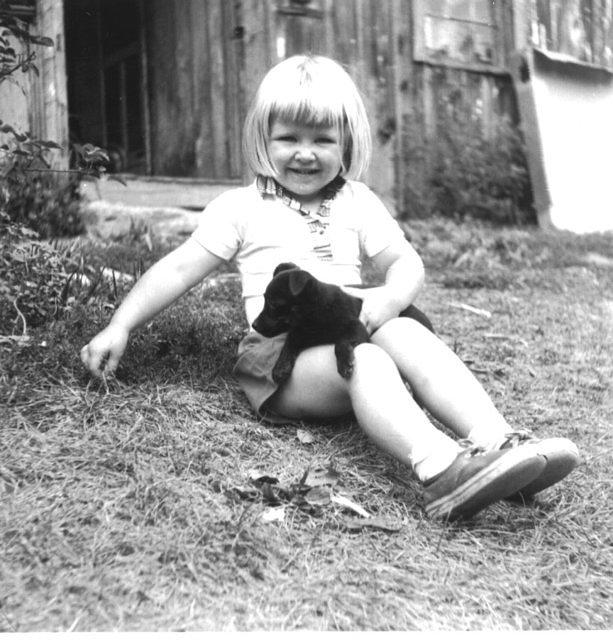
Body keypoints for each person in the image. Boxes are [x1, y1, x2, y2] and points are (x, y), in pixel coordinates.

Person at [80, 55, 580, 521]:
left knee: (403, 331)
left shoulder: (357, 202)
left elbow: (405, 262)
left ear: (346, 141)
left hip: (346, 326)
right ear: (263, 138)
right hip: (286, 363)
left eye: (321, 139)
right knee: (366, 357)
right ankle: (442, 471)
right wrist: (120, 325)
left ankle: (498, 444)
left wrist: (389, 298)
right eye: (288, 138)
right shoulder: (240, 208)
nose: (304, 153)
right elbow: (176, 269)